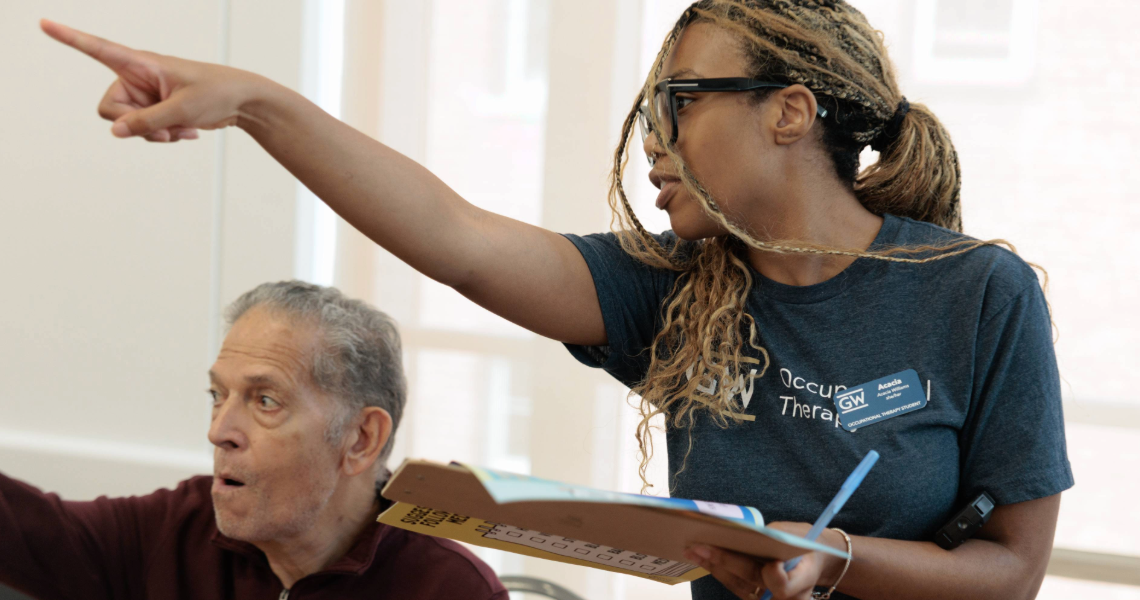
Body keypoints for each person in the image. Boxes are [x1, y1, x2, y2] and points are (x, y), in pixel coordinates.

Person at [40, 0, 1073, 598]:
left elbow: (1011, 575)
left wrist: (829, 557)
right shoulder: (674, 293)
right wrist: (258, 105)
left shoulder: (979, 293)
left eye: (680, 105)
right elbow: (455, 239)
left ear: (789, 113)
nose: (655, 145)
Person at [0, 281, 507, 600]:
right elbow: (27, 530)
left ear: (361, 439)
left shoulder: (450, 588)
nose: (219, 430)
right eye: (218, 395)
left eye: (265, 401)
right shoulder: (178, 528)